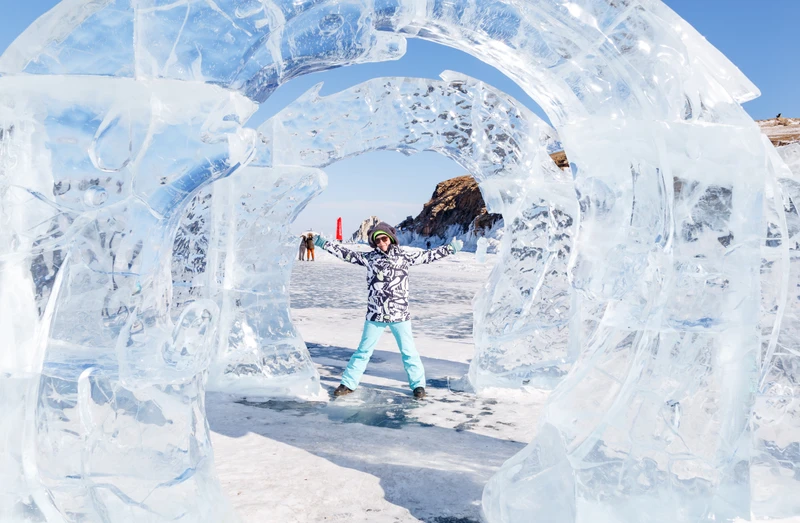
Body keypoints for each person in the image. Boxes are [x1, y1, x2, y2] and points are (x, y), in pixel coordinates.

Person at [313, 222, 463, 399]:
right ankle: (348, 383)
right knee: (363, 352)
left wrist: (450, 249)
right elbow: (346, 254)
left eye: (384, 239)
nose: (382, 243)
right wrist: (322, 242)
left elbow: (428, 256)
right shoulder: (370, 258)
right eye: (377, 241)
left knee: (409, 352)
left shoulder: (404, 257)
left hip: (399, 314)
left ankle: (418, 386)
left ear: (391, 239)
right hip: (375, 314)